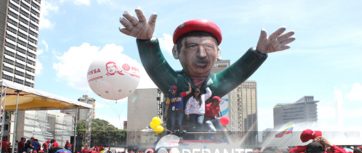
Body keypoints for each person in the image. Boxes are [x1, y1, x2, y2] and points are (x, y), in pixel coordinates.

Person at [119, 9, 294, 98]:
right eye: (193, 46)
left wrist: (260, 53)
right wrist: (145, 42)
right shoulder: (173, 84)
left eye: (209, 47)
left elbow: (239, 71)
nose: (202, 54)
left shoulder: (217, 84)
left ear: (218, 53)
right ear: (175, 52)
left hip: (212, 145)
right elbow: (157, 67)